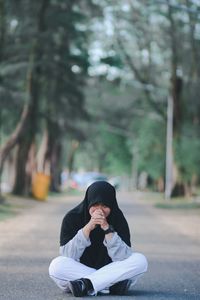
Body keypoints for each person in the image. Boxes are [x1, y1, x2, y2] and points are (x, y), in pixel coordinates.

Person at [49, 181, 148, 297]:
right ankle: (110, 285)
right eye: (95, 205)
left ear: (111, 205)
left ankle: (85, 285)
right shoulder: (72, 217)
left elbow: (122, 257)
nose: (99, 210)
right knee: (56, 265)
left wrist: (107, 229)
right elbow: (68, 255)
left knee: (140, 260)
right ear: (88, 202)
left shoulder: (118, 219)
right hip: (80, 270)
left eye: (105, 206)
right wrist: (88, 228)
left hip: (93, 274)